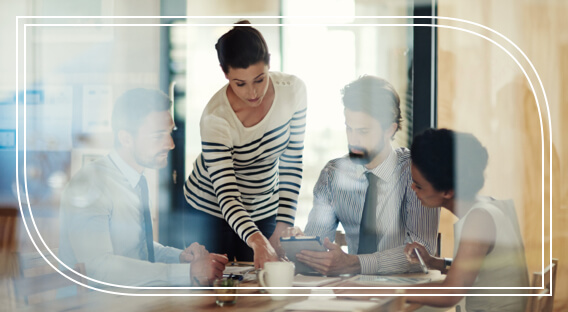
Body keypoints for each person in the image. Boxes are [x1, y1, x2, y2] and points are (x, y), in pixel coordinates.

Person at [337, 128, 529, 311]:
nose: (412, 189)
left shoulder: (479, 220)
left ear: (447, 191)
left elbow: (449, 293)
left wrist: (376, 291)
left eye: (418, 185)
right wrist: (433, 262)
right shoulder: (492, 206)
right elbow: (479, 269)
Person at [59, 88, 228, 288]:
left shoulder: (135, 180)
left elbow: (136, 250)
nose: (171, 144)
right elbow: (98, 268)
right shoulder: (90, 184)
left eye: (170, 133)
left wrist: (179, 258)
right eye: (158, 135)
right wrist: (186, 273)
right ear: (126, 138)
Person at [183, 20, 307, 269]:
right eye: (240, 83)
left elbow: (292, 163)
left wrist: (282, 226)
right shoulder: (215, 117)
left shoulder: (293, 91)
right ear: (225, 72)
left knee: (263, 282)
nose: (252, 93)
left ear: (269, 62)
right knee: (215, 288)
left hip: (263, 205)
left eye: (259, 80)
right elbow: (226, 194)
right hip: (210, 208)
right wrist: (258, 241)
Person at [287, 76, 439, 275]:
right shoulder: (333, 175)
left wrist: (355, 263)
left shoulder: (416, 173)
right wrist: (302, 245)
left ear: (390, 129)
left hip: (405, 293)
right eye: (349, 128)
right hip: (352, 291)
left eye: (363, 131)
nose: (353, 139)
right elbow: (317, 242)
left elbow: (422, 252)